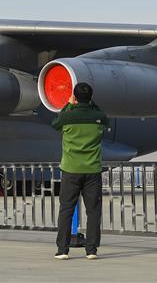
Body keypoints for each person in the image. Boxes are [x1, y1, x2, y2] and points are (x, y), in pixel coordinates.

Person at [51, 82, 107, 260]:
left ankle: (62, 249)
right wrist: (92, 104)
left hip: (70, 169)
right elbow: (104, 118)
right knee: (93, 210)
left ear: (74, 97)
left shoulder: (67, 117)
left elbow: (56, 123)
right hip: (92, 170)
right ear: (91, 97)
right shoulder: (99, 117)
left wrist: (69, 104)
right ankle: (91, 250)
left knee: (66, 209)